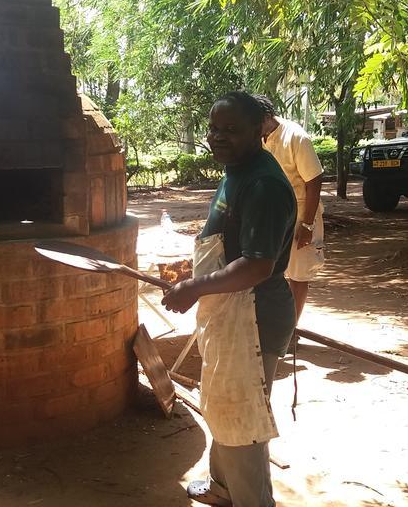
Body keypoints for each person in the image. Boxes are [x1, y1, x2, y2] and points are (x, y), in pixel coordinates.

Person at [162, 91, 297, 507]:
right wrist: (195, 274)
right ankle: (223, 488)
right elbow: (229, 242)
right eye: (213, 129)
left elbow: (257, 266)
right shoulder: (236, 170)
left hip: (253, 316)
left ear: (259, 130)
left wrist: (194, 288)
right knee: (223, 401)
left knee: (243, 417)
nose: (218, 137)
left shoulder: (264, 185)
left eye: (231, 130)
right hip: (229, 309)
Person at [253, 94, 325, 321]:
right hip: (271, 216)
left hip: (300, 215)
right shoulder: (257, 139)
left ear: (266, 117)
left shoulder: (295, 137)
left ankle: (290, 330)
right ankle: (275, 327)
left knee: (298, 275)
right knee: (269, 272)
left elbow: (314, 181)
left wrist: (307, 224)